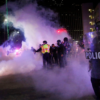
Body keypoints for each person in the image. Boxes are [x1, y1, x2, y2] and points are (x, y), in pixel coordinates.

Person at [89, 21, 100, 100]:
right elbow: (92, 50)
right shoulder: (95, 39)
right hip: (96, 63)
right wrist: (90, 61)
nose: (98, 31)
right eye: (97, 29)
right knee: (94, 80)